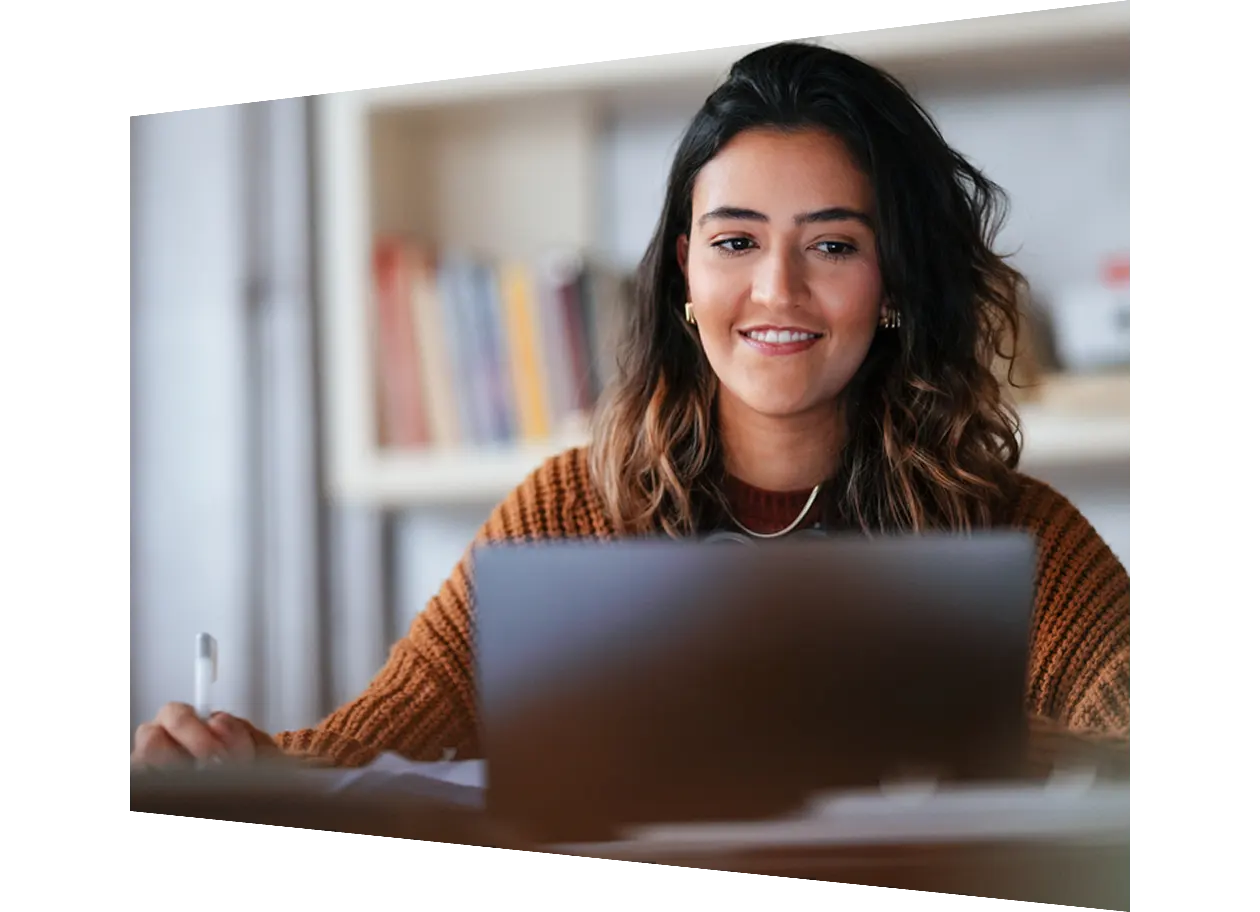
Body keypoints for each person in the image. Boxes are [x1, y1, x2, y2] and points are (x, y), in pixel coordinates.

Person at [130, 42, 1131, 771]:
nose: (777, 291)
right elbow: (374, 746)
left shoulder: (1011, 529)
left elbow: (1180, 743)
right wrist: (243, 763)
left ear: (896, 281)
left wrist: (918, 736)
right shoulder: (571, 514)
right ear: (684, 282)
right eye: (736, 241)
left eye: (832, 245)